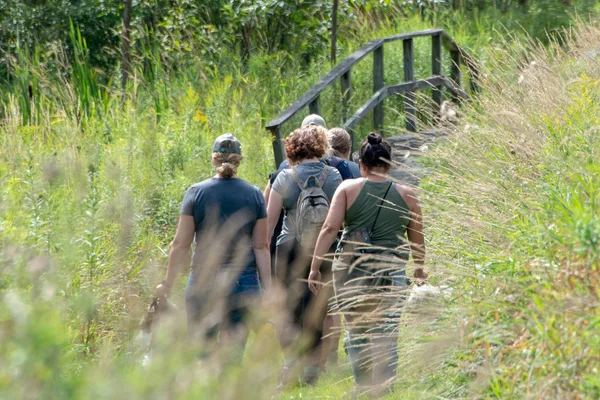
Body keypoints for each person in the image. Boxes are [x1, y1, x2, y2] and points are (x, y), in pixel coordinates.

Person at [307, 133, 427, 396]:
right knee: (387, 333)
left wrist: (315, 267)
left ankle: (363, 387)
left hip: (351, 273)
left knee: (357, 333)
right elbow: (417, 241)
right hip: (390, 273)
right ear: (390, 163)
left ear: (361, 163)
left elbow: (329, 228)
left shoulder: (347, 190)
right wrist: (419, 269)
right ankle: (385, 390)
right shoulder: (408, 195)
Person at [155, 133, 271, 361]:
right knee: (233, 354)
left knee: (201, 351)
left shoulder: (196, 193)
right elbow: (261, 246)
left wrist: (167, 284)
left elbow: (180, 244)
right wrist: (268, 288)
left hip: (203, 281)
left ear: (213, 159)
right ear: (239, 161)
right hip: (243, 283)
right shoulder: (255, 195)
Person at [266, 125, 342, 385]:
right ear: (321, 146)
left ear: (293, 148)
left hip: (289, 248)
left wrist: (263, 256)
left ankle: (291, 364)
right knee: (319, 308)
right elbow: (340, 220)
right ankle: (312, 371)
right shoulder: (333, 176)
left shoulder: (284, 178)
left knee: (289, 308)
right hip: (324, 249)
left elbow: (269, 223)